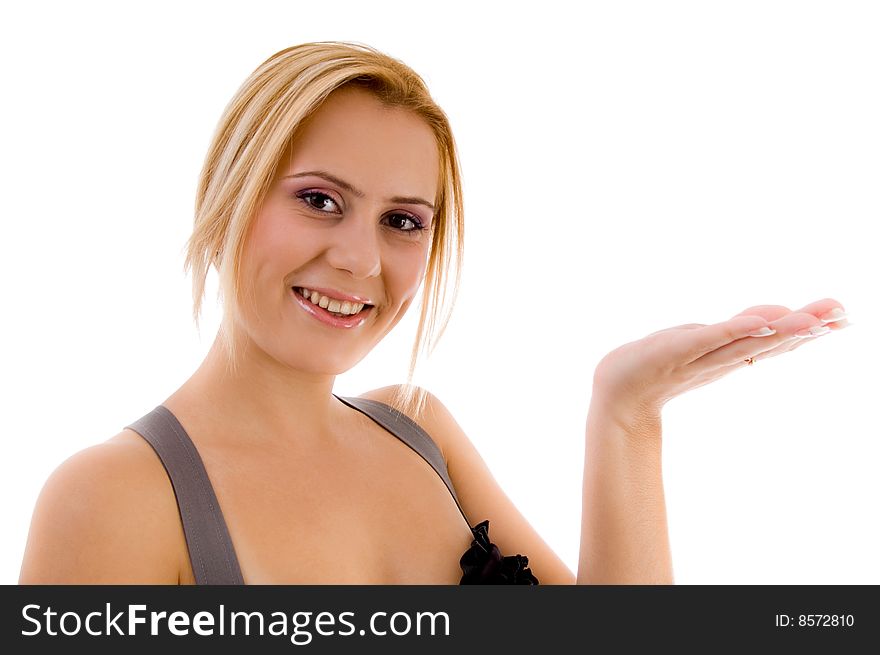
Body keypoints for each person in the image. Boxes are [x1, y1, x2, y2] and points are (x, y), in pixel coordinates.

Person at [18, 41, 848, 585]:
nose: (359, 259)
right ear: (227, 193)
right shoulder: (111, 496)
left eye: (403, 221)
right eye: (319, 200)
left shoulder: (420, 431)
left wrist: (626, 414)